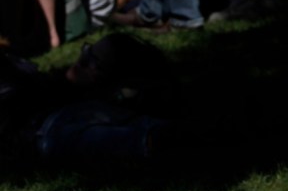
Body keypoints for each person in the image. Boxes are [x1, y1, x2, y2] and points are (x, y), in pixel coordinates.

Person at [0, 32, 178, 171]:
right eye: (87, 51)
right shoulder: (38, 83)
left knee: (149, 138)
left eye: (92, 62)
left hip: (48, 129)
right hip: (49, 124)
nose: (80, 61)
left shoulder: (68, 129)